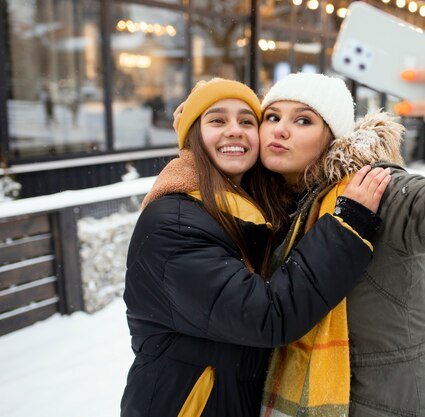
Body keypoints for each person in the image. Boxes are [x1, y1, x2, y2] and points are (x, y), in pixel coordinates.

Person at [256, 34, 425, 417]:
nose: (280, 130)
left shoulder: (376, 191)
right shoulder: (265, 205)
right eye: (272, 116)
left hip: (378, 404)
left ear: (333, 136)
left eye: (303, 119)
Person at [120, 78, 391, 417]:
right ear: (193, 139)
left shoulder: (242, 211)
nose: (235, 130)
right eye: (217, 120)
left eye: (247, 121)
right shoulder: (174, 223)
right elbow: (266, 316)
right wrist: (345, 228)